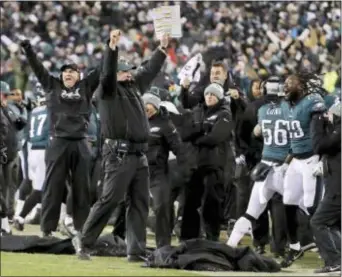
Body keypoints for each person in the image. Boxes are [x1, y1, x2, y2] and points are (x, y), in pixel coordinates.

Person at [72, 30, 170, 261]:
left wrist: (162, 49)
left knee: (139, 202)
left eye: (129, 71)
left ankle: (135, 251)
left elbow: (149, 69)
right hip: (119, 153)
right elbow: (106, 74)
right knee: (110, 199)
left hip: (138, 154)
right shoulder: (107, 92)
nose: (129, 74)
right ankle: (84, 242)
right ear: (116, 74)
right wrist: (112, 48)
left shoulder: (134, 87)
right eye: (124, 72)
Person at [20, 35, 105, 237]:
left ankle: (81, 229)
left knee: (81, 189)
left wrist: (111, 48)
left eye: (72, 71)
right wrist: (28, 49)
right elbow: (37, 67)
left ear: (79, 75)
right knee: (52, 187)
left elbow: (102, 69)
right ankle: (47, 230)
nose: (68, 74)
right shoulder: (51, 85)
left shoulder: (86, 87)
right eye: (65, 71)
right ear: (61, 75)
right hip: (57, 142)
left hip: (81, 143)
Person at [227, 78, 289, 253]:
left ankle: (230, 247)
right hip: (285, 166)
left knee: (251, 212)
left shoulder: (261, 110)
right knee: (306, 209)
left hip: (263, 165)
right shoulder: (290, 110)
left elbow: (253, 133)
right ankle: (284, 247)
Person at [281, 72, 327, 267]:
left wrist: (322, 159)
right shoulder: (289, 105)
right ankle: (295, 247)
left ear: (301, 86)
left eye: (289, 84)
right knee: (289, 202)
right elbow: (296, 139)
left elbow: (322, 132)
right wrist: (287, 161)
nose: (285, 87)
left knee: (312, 207)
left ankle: (331, 250)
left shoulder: (314, 101)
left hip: (312, 159)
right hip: (296, 161)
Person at [180, 83, 234, 241]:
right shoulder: (198, 111)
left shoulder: (224, 114)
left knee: (212, 204)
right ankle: (188, 239)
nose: (210, 97)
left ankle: (212, 238)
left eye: (213, 95)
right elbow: (184, 134)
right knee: (189, 203)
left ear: (219, 97)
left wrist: (197, 137)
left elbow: (215, 137)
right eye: (207, 94)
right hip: (196, 164)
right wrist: (201, 130)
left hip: (215, 165)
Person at [310, 102, 341, 274]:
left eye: (330, 115)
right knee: (334, 225)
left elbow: (319, 146)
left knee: (318, 222)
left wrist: (316, 124)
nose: (327, 118)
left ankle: (335, 261)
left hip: (338, 189)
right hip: (336, 186)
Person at [13, 96, 48, 231]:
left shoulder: (35, 112)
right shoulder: (51, 111)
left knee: (47, 186)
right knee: (41, 189)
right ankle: (21, 216)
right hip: (44, 151)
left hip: (34, 150)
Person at [0, 81, 26, 235]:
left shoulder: (7, 109)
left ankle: (5, 223)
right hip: (4, 153)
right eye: (3, 94)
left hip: (9, 154)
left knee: (5, 189)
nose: (6, 97)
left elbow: (21, 123)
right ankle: (4, 223)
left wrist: (21, 109)